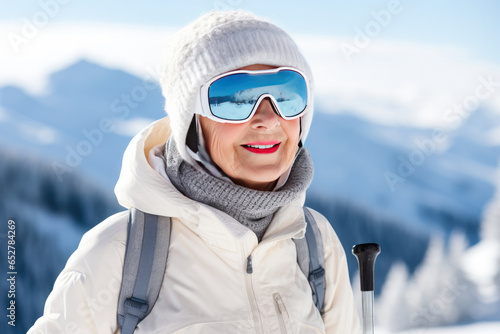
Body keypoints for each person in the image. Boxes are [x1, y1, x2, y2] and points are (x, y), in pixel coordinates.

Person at [28, 10, 361, 333]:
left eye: (287, 94)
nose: (269, 118)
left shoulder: (315, 244)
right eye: (236, 98)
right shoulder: (119, 254)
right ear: (191, 125)